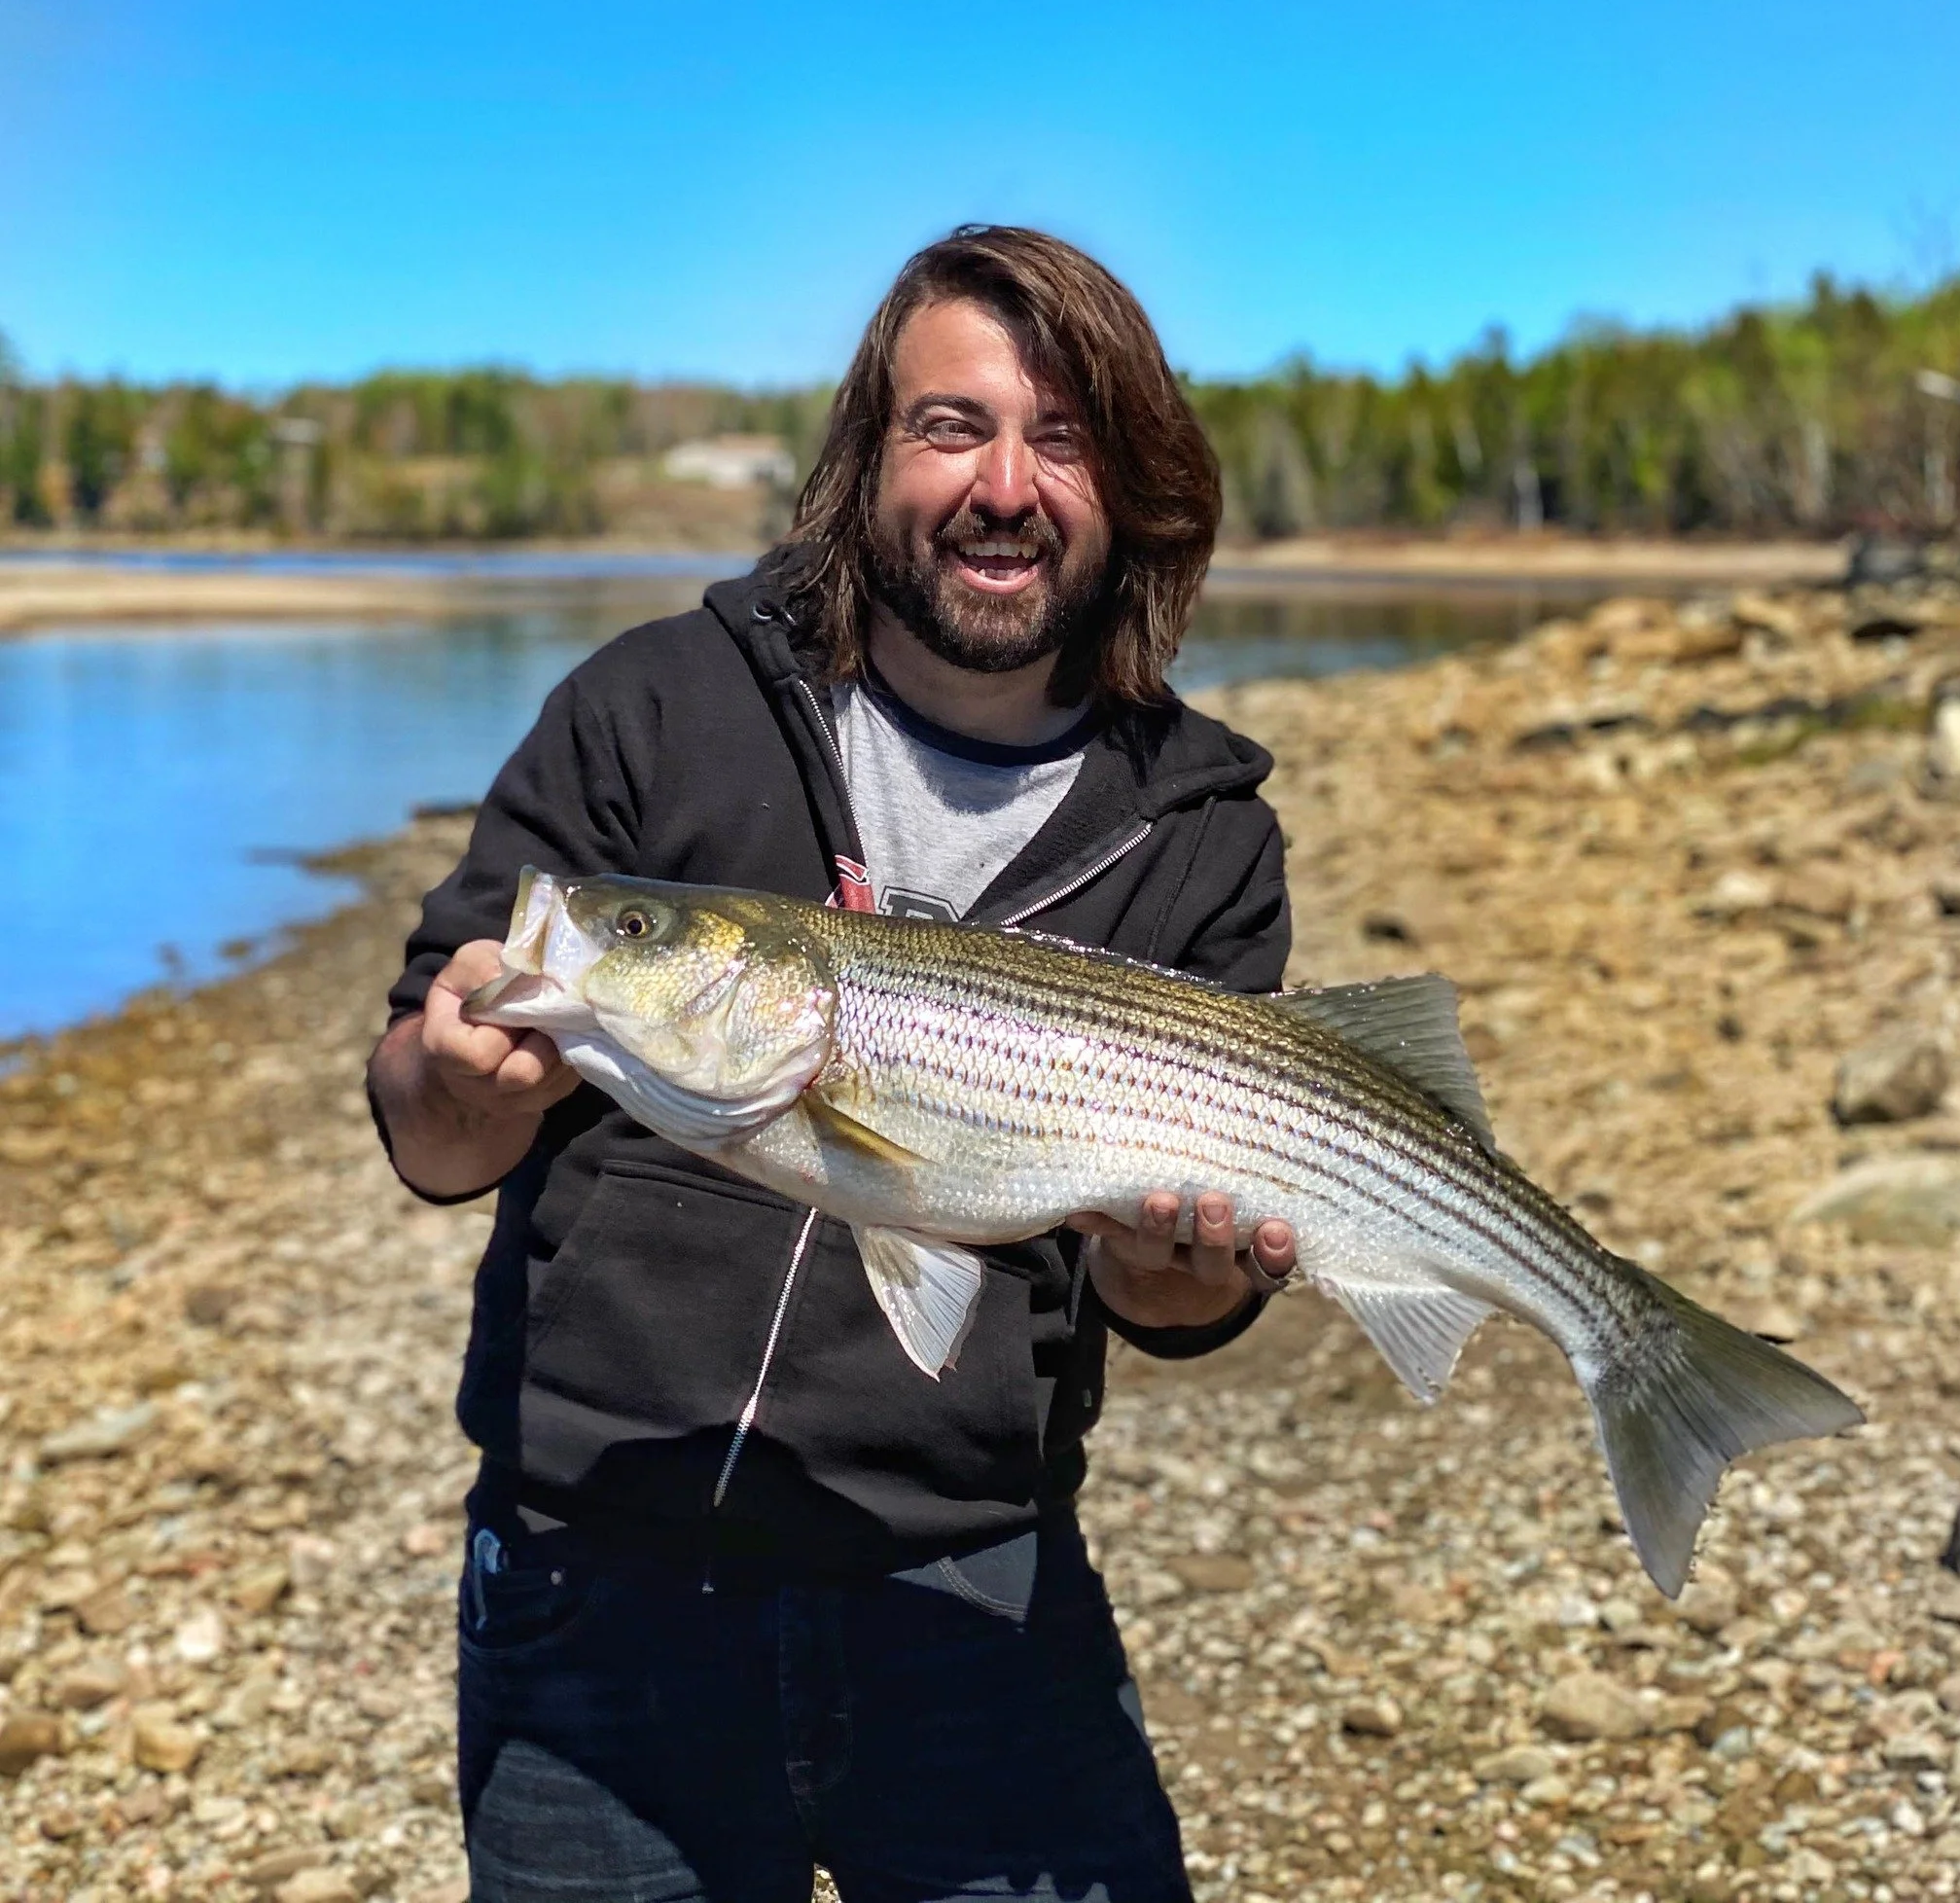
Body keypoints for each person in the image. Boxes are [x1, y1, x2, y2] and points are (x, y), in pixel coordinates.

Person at [367, 225, 1298, 1903]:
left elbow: (1177, 1312)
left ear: (1137, 488)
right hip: (598, 1583)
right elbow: (430, 1129)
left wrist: (1182, 1279)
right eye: (951, 427)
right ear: (866, 459)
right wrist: (455, 1087)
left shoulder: (1203, 834)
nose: (1004, 485)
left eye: (1064, 438)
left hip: (976, 1582)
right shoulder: (653, 706)